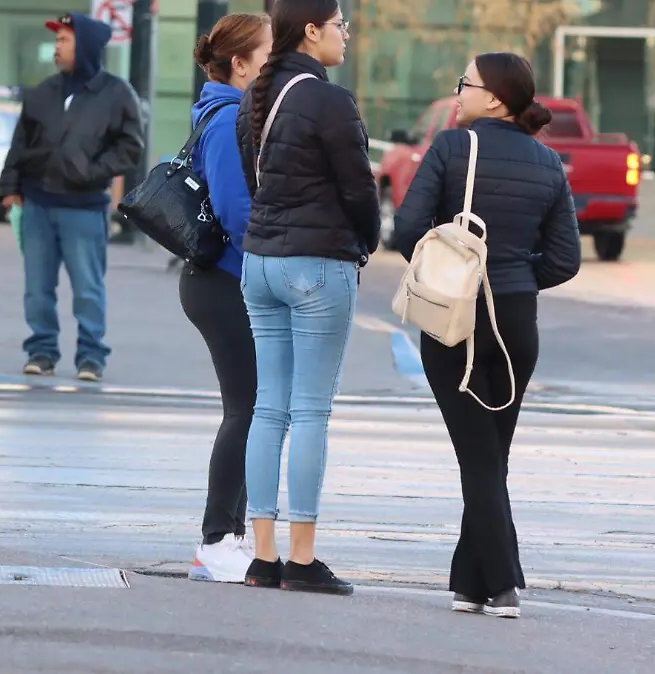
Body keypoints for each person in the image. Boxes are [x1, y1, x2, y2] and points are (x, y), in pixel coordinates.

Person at [391, 53, 582, 618]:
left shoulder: (452, 147)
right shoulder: (549, 162)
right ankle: (471, 581)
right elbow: (566, 259)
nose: (458, 92)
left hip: (456, 318)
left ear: (494, 98)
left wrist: (444, 268)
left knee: (477, 457)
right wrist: (518, 279)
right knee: (489, 452)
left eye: (465, 83)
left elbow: (406, 229)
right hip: (517, 321)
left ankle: (502, 584)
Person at [234, 0, 379, 595]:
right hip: (317, 266)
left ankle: (262, 554)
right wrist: (365, 242)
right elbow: (358, 187)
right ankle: (303, 557)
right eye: (340, 24)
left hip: (260, 262)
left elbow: (254, 181)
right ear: (313, 30)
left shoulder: (256, 98)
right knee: (311, 411)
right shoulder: (329, 100)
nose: (347, 34)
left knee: (269, 408)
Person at [0, 13, 144, 382]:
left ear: (87, 47)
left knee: (88, 289)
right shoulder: (42, 92)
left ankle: (91, 356)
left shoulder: (116, 93)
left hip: (84, 207)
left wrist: (90, 172)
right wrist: (10, 187)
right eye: (57, 40)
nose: (57, 47)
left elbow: (130, 149)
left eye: (64, 40)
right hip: (38, 205)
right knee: (37, 289)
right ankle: (41, 351)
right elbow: (20, 143)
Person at [181, 13, 272, 584]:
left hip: (223, 277)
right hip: (224, 279)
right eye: (268, 54)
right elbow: (238, 214)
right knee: (246, 409)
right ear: (240, 64)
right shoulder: (225, 119)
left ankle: (231, 537)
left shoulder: (228, 110)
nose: (275, 64)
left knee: (254, 409)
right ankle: (217, 540)